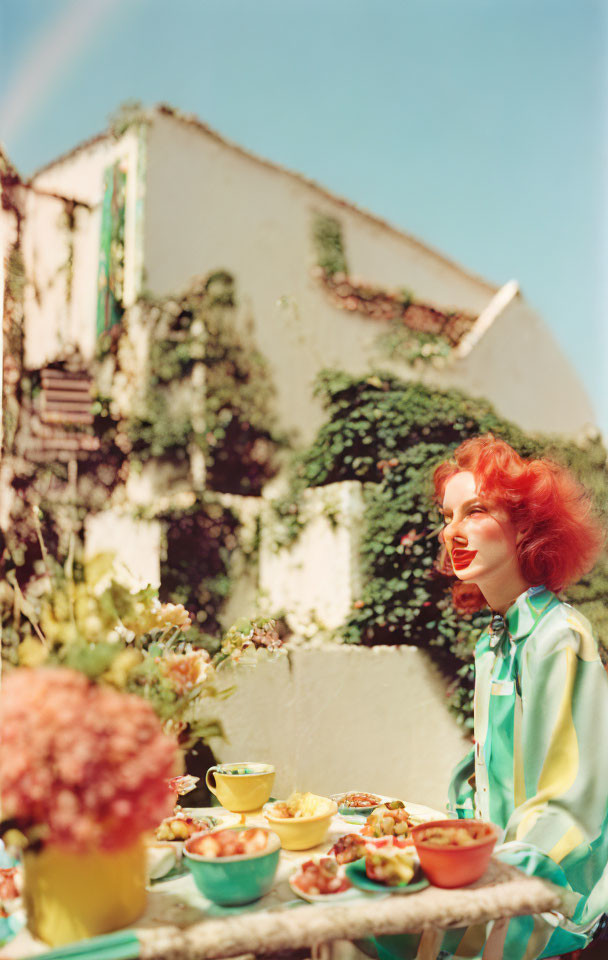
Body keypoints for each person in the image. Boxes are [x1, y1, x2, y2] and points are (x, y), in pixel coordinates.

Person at [371, 435, 608, 960]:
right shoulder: (493, 641)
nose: (451, 531)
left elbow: (570, 802)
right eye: (446, 515)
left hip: (546, 894)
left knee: (380, 927)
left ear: (527, 525)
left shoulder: (559, 637)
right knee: (362, 901)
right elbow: (490, 772)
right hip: (493, 870)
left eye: (475, 511)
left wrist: (487, 876)